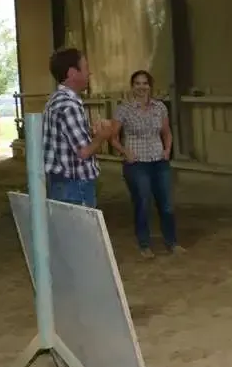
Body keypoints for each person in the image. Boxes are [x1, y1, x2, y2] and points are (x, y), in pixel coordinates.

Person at [110, 70, 182, 258]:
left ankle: (172, 242)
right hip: (137, 164)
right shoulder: (124, 109)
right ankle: (144, 244)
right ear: (132, 86)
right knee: (143, 202)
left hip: (159, 161)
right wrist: (125, 152)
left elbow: (166, 132)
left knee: (166, 204)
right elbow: (113, 137)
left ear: (150, 86)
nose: (141, 87)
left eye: (145, 83)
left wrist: (167, 150)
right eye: (137, 83)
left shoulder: (160, 107)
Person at [42, 47, 116, 208]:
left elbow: (67, 140)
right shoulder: (69, 105)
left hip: (62, 183)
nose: (89, 73)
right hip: (75, 186)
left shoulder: (56, 100)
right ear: (72, 73)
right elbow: (83, 152)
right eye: (85, 68)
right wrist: (102, 136)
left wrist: (90, 132)